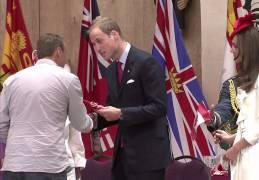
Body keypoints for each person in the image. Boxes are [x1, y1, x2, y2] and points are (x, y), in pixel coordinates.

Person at [0, 33, 93, 180]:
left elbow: (1, 125)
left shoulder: (11, 81)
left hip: (13, 165)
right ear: (58, 51)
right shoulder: (68, 79)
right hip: (49, 165)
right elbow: (80, 123)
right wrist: (93, 121)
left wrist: (19, 145)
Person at [88, 17, 171, 180]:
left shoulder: (146, 62)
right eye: (94, 44)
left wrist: (120, 113)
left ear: (114, 34)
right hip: (123, 156)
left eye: (99, 41)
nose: (97, 48)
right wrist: (91, 121)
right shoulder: (111, 70)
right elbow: (112, 110)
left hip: (148, 157)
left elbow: (159, 107)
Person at [210, 13, 259, 180]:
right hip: (246, 153)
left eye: (234, 45)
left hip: (255, 158)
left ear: (247, 48)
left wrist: (235, 148)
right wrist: (231, 138)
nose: (231, 49)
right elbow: (250, 126)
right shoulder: (254, 77)